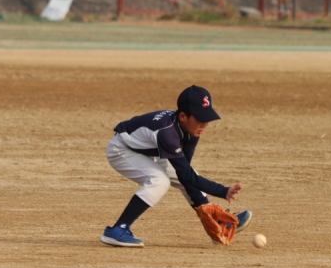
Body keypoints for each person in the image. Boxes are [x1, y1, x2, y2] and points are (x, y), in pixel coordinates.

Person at [101, 85, 252, 248]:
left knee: (187, 175)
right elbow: (186, 175)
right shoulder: (167, 132)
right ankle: (118, 229)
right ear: (183, 116)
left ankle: (218, 223)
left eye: (206, 119)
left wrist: (201, 196)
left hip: (149, 150)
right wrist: (222, 191)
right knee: (159, 181)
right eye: (200, 119)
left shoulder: (192, 130)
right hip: (122, 150)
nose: (204, 124)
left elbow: (185, 175)